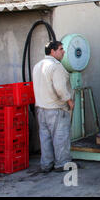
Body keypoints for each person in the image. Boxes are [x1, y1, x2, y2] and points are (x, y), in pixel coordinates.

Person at [32, 41, 75, 173]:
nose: (64, 51)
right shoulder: (56, 67)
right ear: (52, 51)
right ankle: (62, 163)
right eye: (61, 49)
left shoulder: (38, 65)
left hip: (41, 108)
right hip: (56, 109)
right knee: (60, 137)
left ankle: (46, 164)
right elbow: (60, 88)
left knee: (45, 138)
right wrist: (69, 101)